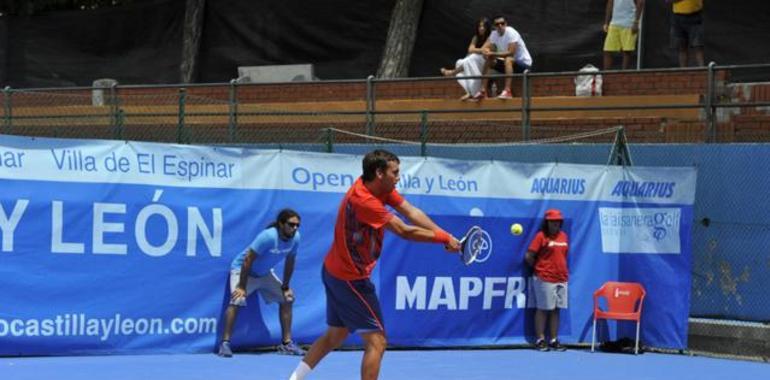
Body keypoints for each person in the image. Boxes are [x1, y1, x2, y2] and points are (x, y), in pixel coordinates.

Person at [288, 149, 461, 380]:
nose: (399, 177)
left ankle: (293, 379)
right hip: (350, 279)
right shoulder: (364, 200)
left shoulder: (378, 187)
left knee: (335, 335)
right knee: (377, 342)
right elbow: (403, 230)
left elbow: (411, 211)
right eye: (395, 172)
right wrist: (443, 239)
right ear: (379, 173)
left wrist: (443, 234)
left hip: (333, 271)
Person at [217, 209, 306, 357]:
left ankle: (286, 344)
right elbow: (247, 260)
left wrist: (285, 286)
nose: (295, 228)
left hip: (264, 274)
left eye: (297, 225)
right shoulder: (268, 236)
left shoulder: (296, 238)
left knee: (287, 299)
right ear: (281, 224)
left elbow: (290, 262)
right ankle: (225, 344)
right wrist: (241, 286)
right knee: (237, 299)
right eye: (291, 224)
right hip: (242, 270)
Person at [525, 209, 569, 352]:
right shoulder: (541, 236)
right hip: (544, 278)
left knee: (556, 310)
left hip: (561, 278)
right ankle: (540, 339)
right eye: (552, 221)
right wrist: (539, 270)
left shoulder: (564, 236)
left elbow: (563, 256)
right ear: (547, 222)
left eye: (558, 221)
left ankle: (554, 340)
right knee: (543, 309)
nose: (555, 223)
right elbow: (529, 256)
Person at [473, 15, 532, 100]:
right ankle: (483, 91)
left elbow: (511, 52)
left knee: (508, 59)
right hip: (508, 65)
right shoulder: (494, 34)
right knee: (490, 60)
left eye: (502, 23)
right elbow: (488, 48)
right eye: (497, 24)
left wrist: (492, 53)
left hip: (524, 65)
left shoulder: (511, 32)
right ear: (494, 26)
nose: (500, 26)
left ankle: (507, 91)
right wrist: (486, 52)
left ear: (506, 24)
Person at [440, 17, 492, 101]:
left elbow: (482, 50)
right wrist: (478, 51)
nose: (481, 28)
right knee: (459, 63)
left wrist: (476, 51)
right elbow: (471, 49)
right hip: (475, 59)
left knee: (471, 58)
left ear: (487, 28)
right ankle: (469, 92)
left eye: (483, 26)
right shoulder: (475, 37)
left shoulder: (491, 37)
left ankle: (452, 72)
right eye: (479, 26)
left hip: (486, 61)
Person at [602, 0, 645, 70]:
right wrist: (606, 22)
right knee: (607, 50)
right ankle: (606, 76)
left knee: (627, 51)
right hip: (614, 23)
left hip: (629, 23)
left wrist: (636, 22)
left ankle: (624, 75)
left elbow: (641, 2)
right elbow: (610, 3)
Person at [668, 0, 704, 67]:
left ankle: (703, 72)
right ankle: (683, 73)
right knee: (681, 48)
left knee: (698, 46)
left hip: (695, 16)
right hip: (677, 17)